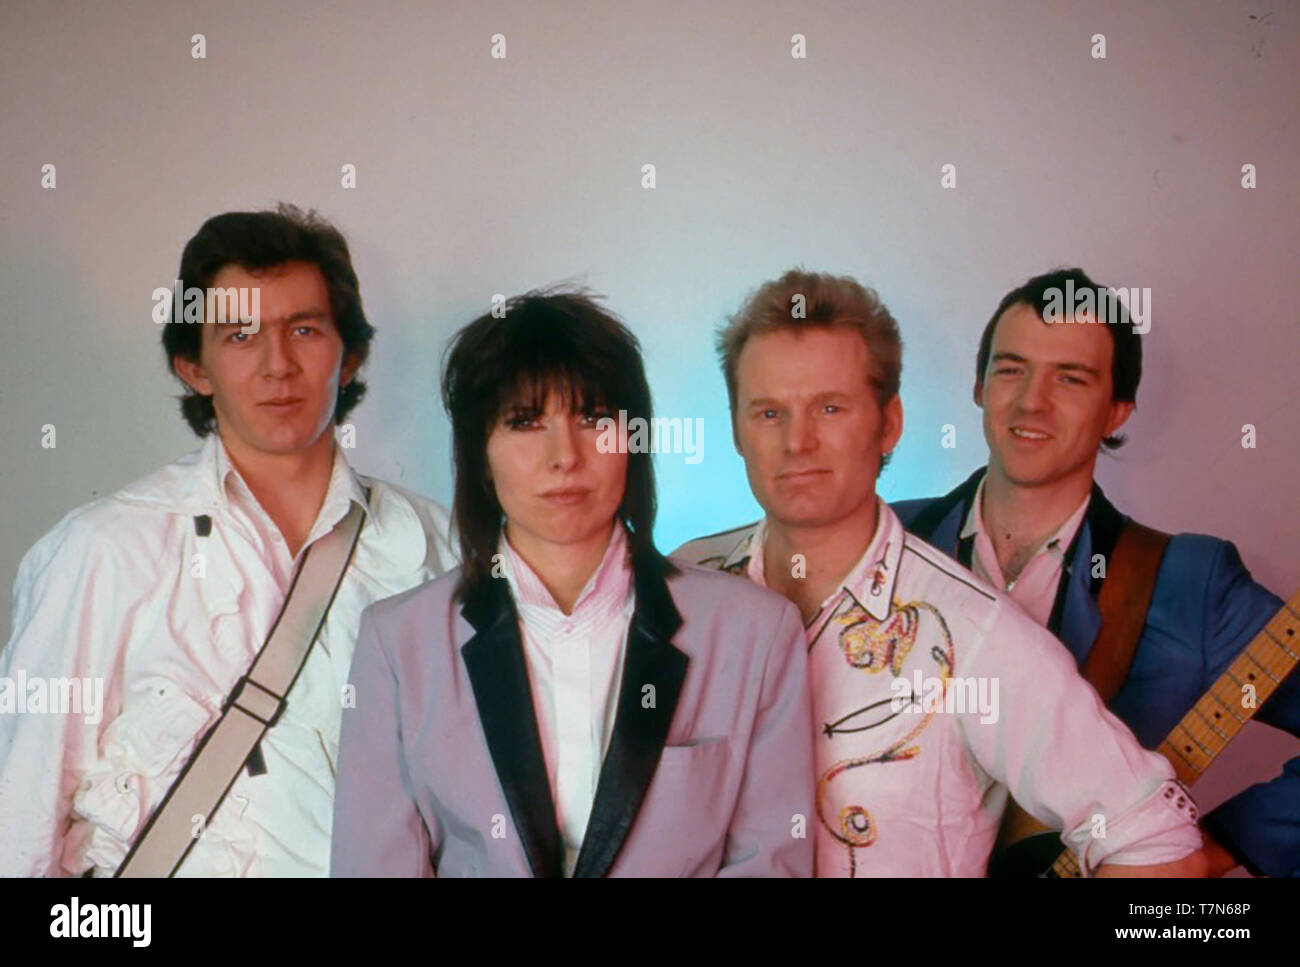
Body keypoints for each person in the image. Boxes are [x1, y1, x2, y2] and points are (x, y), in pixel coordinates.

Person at [674, 268, 1209, 877]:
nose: (799, 442)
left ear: (889, 424)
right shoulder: (678, 588)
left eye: (830, 407)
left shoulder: (976, 635)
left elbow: (1156, 842)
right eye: (769, 413)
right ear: (738, 430)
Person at [0, 204, 456, 876]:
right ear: (193, 366)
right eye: (240, 335)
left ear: (350, 354)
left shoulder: (438, 551)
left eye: (304, 328)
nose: (278, 365)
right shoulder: (100, 553)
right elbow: (20, 820)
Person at [330, 288, 814, 877]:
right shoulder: (398, 641)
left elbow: (769, 862)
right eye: (525, 422)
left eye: (593, 419)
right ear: (479, 454)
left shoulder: (754, 633)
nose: (565, 456)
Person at [893, 267, 1299, 878]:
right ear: (978, 386)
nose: (1032, 400)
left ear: (1117, 411)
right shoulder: (884, 541)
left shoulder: (1191, 581)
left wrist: (1213, 849)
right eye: (1011, 368)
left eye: (1070, 379)